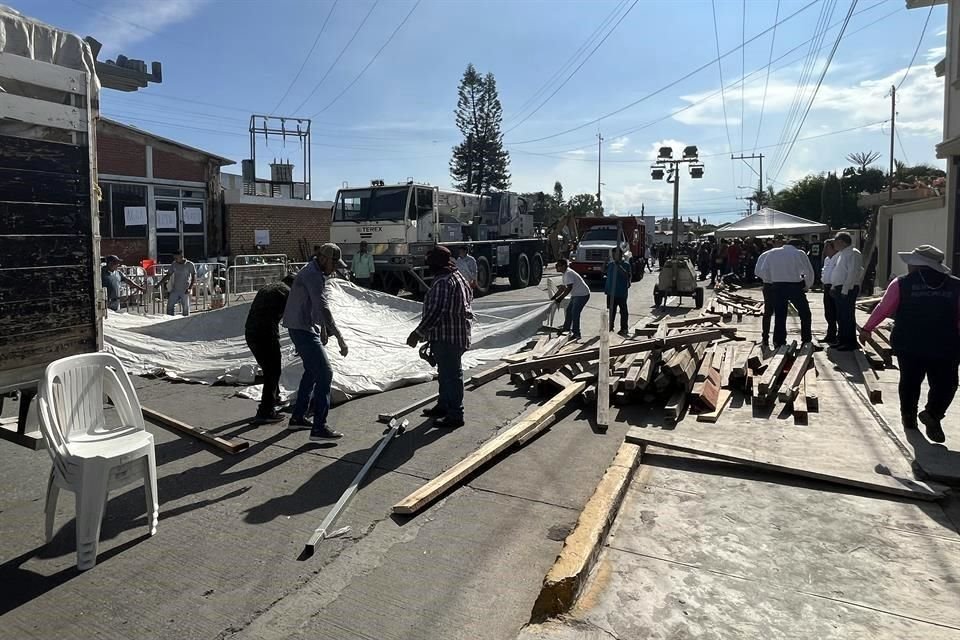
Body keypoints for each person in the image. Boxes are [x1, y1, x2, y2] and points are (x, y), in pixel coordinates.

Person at [861, 245, 959, 443]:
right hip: (946, 344)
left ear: (917, 264)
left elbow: (883, 308)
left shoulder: (901, 283)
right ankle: (933, 414)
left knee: (910, 381)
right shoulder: (956, 285)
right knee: (946, 384)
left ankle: (909, 418)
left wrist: (867, 328)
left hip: (910, 342)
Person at [283, 243, 349, 442]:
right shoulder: (312, 275)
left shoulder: (312, 271)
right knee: (325, 373)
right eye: (333, 264)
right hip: (301, 329)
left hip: (302, 326)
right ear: (323, 259)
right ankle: (319, 428)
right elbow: (322, 305)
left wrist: (321, 329)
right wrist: (339, 336)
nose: (334, 270)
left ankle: (298, 417)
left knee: (312, 371)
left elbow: (312, 305)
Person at [406, 246, 474, 429]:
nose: (428, 267)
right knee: (445, 374)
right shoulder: (457, 276)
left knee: (452, 375)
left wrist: (417, 333)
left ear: (437, 264)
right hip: (454, 333)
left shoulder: (444, 282)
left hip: (448, 337)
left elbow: (436, 311)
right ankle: (444, 406)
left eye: (430, 263)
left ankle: (455, 414)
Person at [245, 274, 296, 424]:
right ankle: (266, 411)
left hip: (250, 332)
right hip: (266, 333)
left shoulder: (268, 288)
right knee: (273, 370)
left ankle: (274, 398)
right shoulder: (287, 292)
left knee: (269, 368)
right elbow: (292, 319)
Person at [755, 238, 815, 347]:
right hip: (794, 286)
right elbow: (808, 271)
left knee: (780, 315)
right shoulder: (799, 253)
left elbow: (763, 270)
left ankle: (779, 341)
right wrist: (807, 285)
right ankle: (806, 340)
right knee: (805, 313)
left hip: (777, 286)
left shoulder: (771, 253)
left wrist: (771, 280)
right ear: (799, 246)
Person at [828, 232, 864, 351]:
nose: (834, 245)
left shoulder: (853, 253)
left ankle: (850, 342)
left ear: (842, 242)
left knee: (847, 316)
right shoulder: (842, 254)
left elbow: (852, 273)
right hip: (839, 287)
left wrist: (844, 290)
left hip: (848, 288)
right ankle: (842, 340)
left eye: (835, 242)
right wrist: (834, 286)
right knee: (841, 316)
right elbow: (839, 272)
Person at [754, 236, 785, 348]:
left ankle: (778, 339)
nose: (779, 243)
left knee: (780, 313)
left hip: (782, 285)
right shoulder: (765, 255)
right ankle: (765, 337)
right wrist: (769, 278)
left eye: (781, 241)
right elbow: (758, 271)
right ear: (773, 242)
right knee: (768, 312)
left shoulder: (785, 255)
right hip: (769, 285)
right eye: (777, 241)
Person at [551, 259, 590, 340]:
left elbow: (569, 288)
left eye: (558, 265)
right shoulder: (564, 274)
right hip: (576, 295)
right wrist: (554, 297)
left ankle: (577, 334)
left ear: (563, 266)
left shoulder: (568, 273)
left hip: (582, 295)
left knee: (575, 313)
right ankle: (566, 328)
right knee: (569, 311)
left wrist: (560, 298)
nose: (556, 267)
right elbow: (562, 288)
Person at [159, 249, 197, 316]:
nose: (175, 259)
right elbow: (168, 275)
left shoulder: (190, 264)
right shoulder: (174, 264)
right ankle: (170, 320)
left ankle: (185, 320)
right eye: (174, 258)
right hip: (175, 289)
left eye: (176, 258)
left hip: (185, 289)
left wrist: (190, 288)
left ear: (181, 256)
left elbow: (194, 277)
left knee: (185, 307)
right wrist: (159, 283)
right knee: (170, 306)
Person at [605, 248, 631, 335]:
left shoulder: (626, 264)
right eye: (612, 254)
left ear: (620, 255)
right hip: (610, 292)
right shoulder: (611, 264)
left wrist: (618, 266)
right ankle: (610, 327)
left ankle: (624, 328)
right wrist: (605, 262)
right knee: (611, 311)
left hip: (621, 292)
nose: (613, 256)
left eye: (615, 254)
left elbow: (627, 275)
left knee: (623, 311)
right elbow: (602, 270)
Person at [820, 240, 838, 344]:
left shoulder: (839, 258)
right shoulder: (827, 259)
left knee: (837, 313)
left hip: (835, 287)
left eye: (827, 248)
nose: (825, 251)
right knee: (829, 313)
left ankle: (839, 336)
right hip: (827, 287)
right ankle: (830, 335)